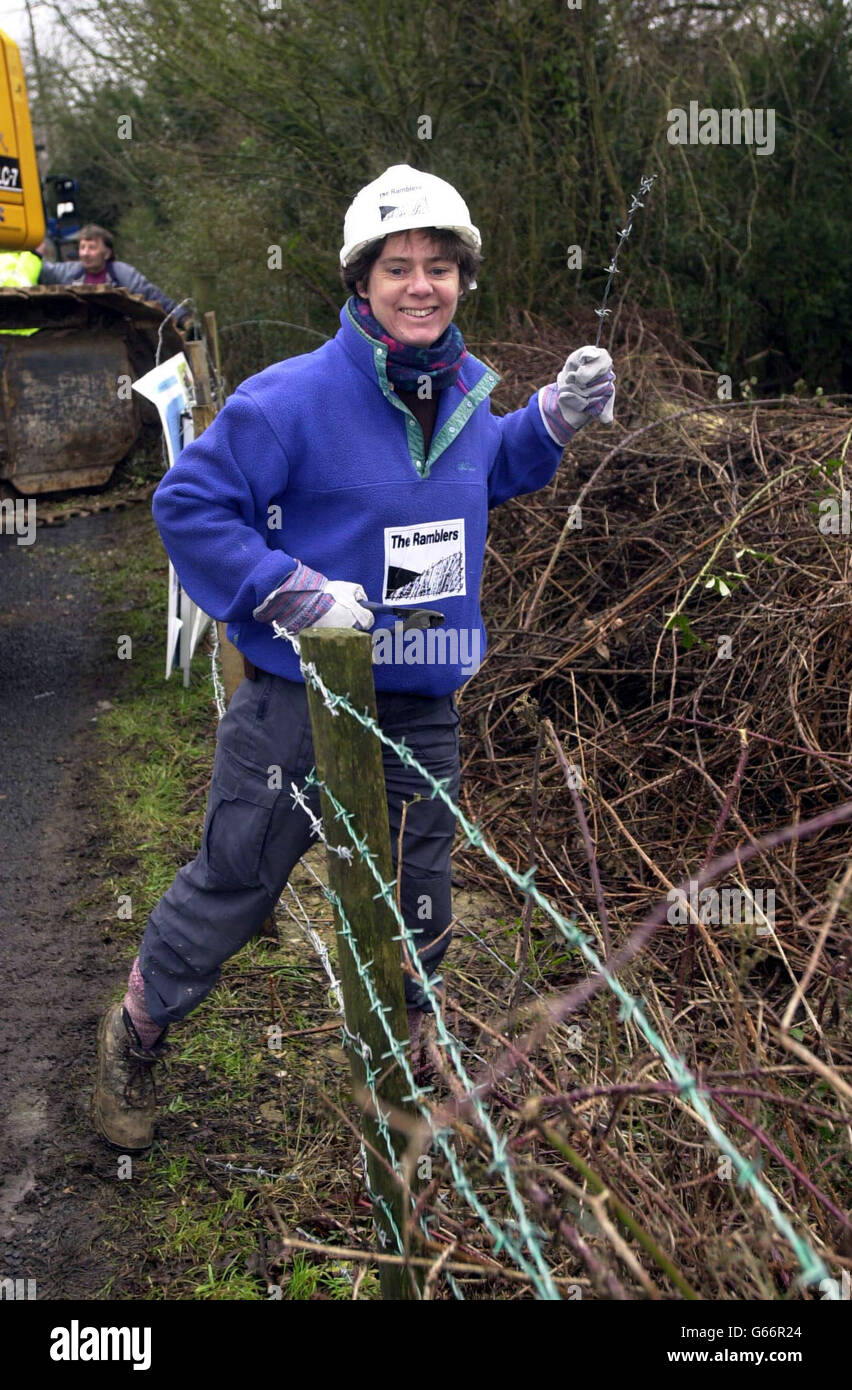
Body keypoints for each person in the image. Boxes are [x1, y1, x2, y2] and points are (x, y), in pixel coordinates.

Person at [92, 164, 616, 1153]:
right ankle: (137, 1030)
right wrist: (288, 589)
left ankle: (406, 1074)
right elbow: (190, 506)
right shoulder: (289, 400)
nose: (423, 285)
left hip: (421, 692)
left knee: (420, 894)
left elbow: (481, 474)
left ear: (464, 278)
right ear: (360, 281)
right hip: (298, 699)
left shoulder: (462, 390)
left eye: (441, 267)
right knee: (238, 884)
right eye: (399, 267)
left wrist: (551, 419)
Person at [38, 223, 191, 328]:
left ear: (107, 253)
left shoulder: (123, 274)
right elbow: (44, 270)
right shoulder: (70, 272)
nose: (85, 253)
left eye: (92, 248)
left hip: (118, 335)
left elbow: (153, 295)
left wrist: (183, 318)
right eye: (82, 247)